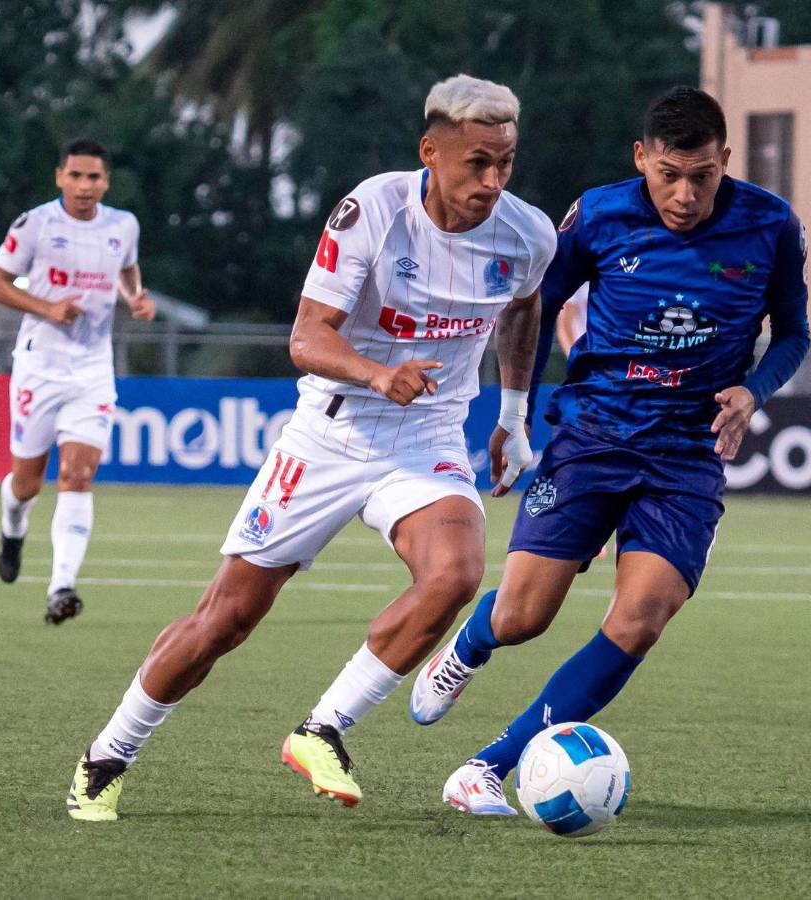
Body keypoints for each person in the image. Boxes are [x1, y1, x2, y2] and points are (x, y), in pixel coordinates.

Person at [65, 74, 557, 822]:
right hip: (330, 432)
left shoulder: (527, 235)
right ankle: (108, 754)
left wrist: (514, 412)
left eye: (505, 163)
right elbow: (306, 337)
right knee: (223, 621)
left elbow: (523, 310)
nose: (492, 181)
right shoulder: (373, 212)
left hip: (426, 438)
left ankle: (322, 728)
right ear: (430, 152)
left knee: (455, 574)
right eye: (476, 163)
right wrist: (377, 374)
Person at [409, 86, 810, 815]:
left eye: (702, 176)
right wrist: (515, 414)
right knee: (524, 615)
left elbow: (792, 333)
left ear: (725, 160)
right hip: (592, 436)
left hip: (687, 455)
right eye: (668, 175)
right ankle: (470, 643)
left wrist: (754, 390)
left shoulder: (771, 225)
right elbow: (530, 304)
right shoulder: (596, 214)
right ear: (640, 159)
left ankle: (485, 768)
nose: (684, 195)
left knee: (640, 617)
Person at [0, 138, 154, 625]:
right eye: (76, 176)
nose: (85, 186)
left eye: (94, 177)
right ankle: (12, 527)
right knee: (26, 483)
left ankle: (61, 585)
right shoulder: (35, 224)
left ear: (106, 182)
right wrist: (48, 309)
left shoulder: (123, 225)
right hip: (39, 366)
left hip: (92, 369)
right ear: (59, 177)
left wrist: (135, 297)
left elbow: (126, 269)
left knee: (77, 475)